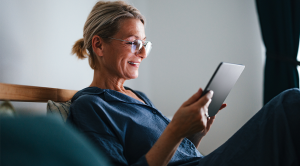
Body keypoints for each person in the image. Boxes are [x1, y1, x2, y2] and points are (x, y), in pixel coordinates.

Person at [67, 1, 300, 165]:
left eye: (144, 44)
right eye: (132, 43)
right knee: (290, 104)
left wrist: (195, 133)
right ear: (98, 46)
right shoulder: (90, 106)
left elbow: (174, 152)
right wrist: (176, 129)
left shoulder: (139, 97)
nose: (142, 54)